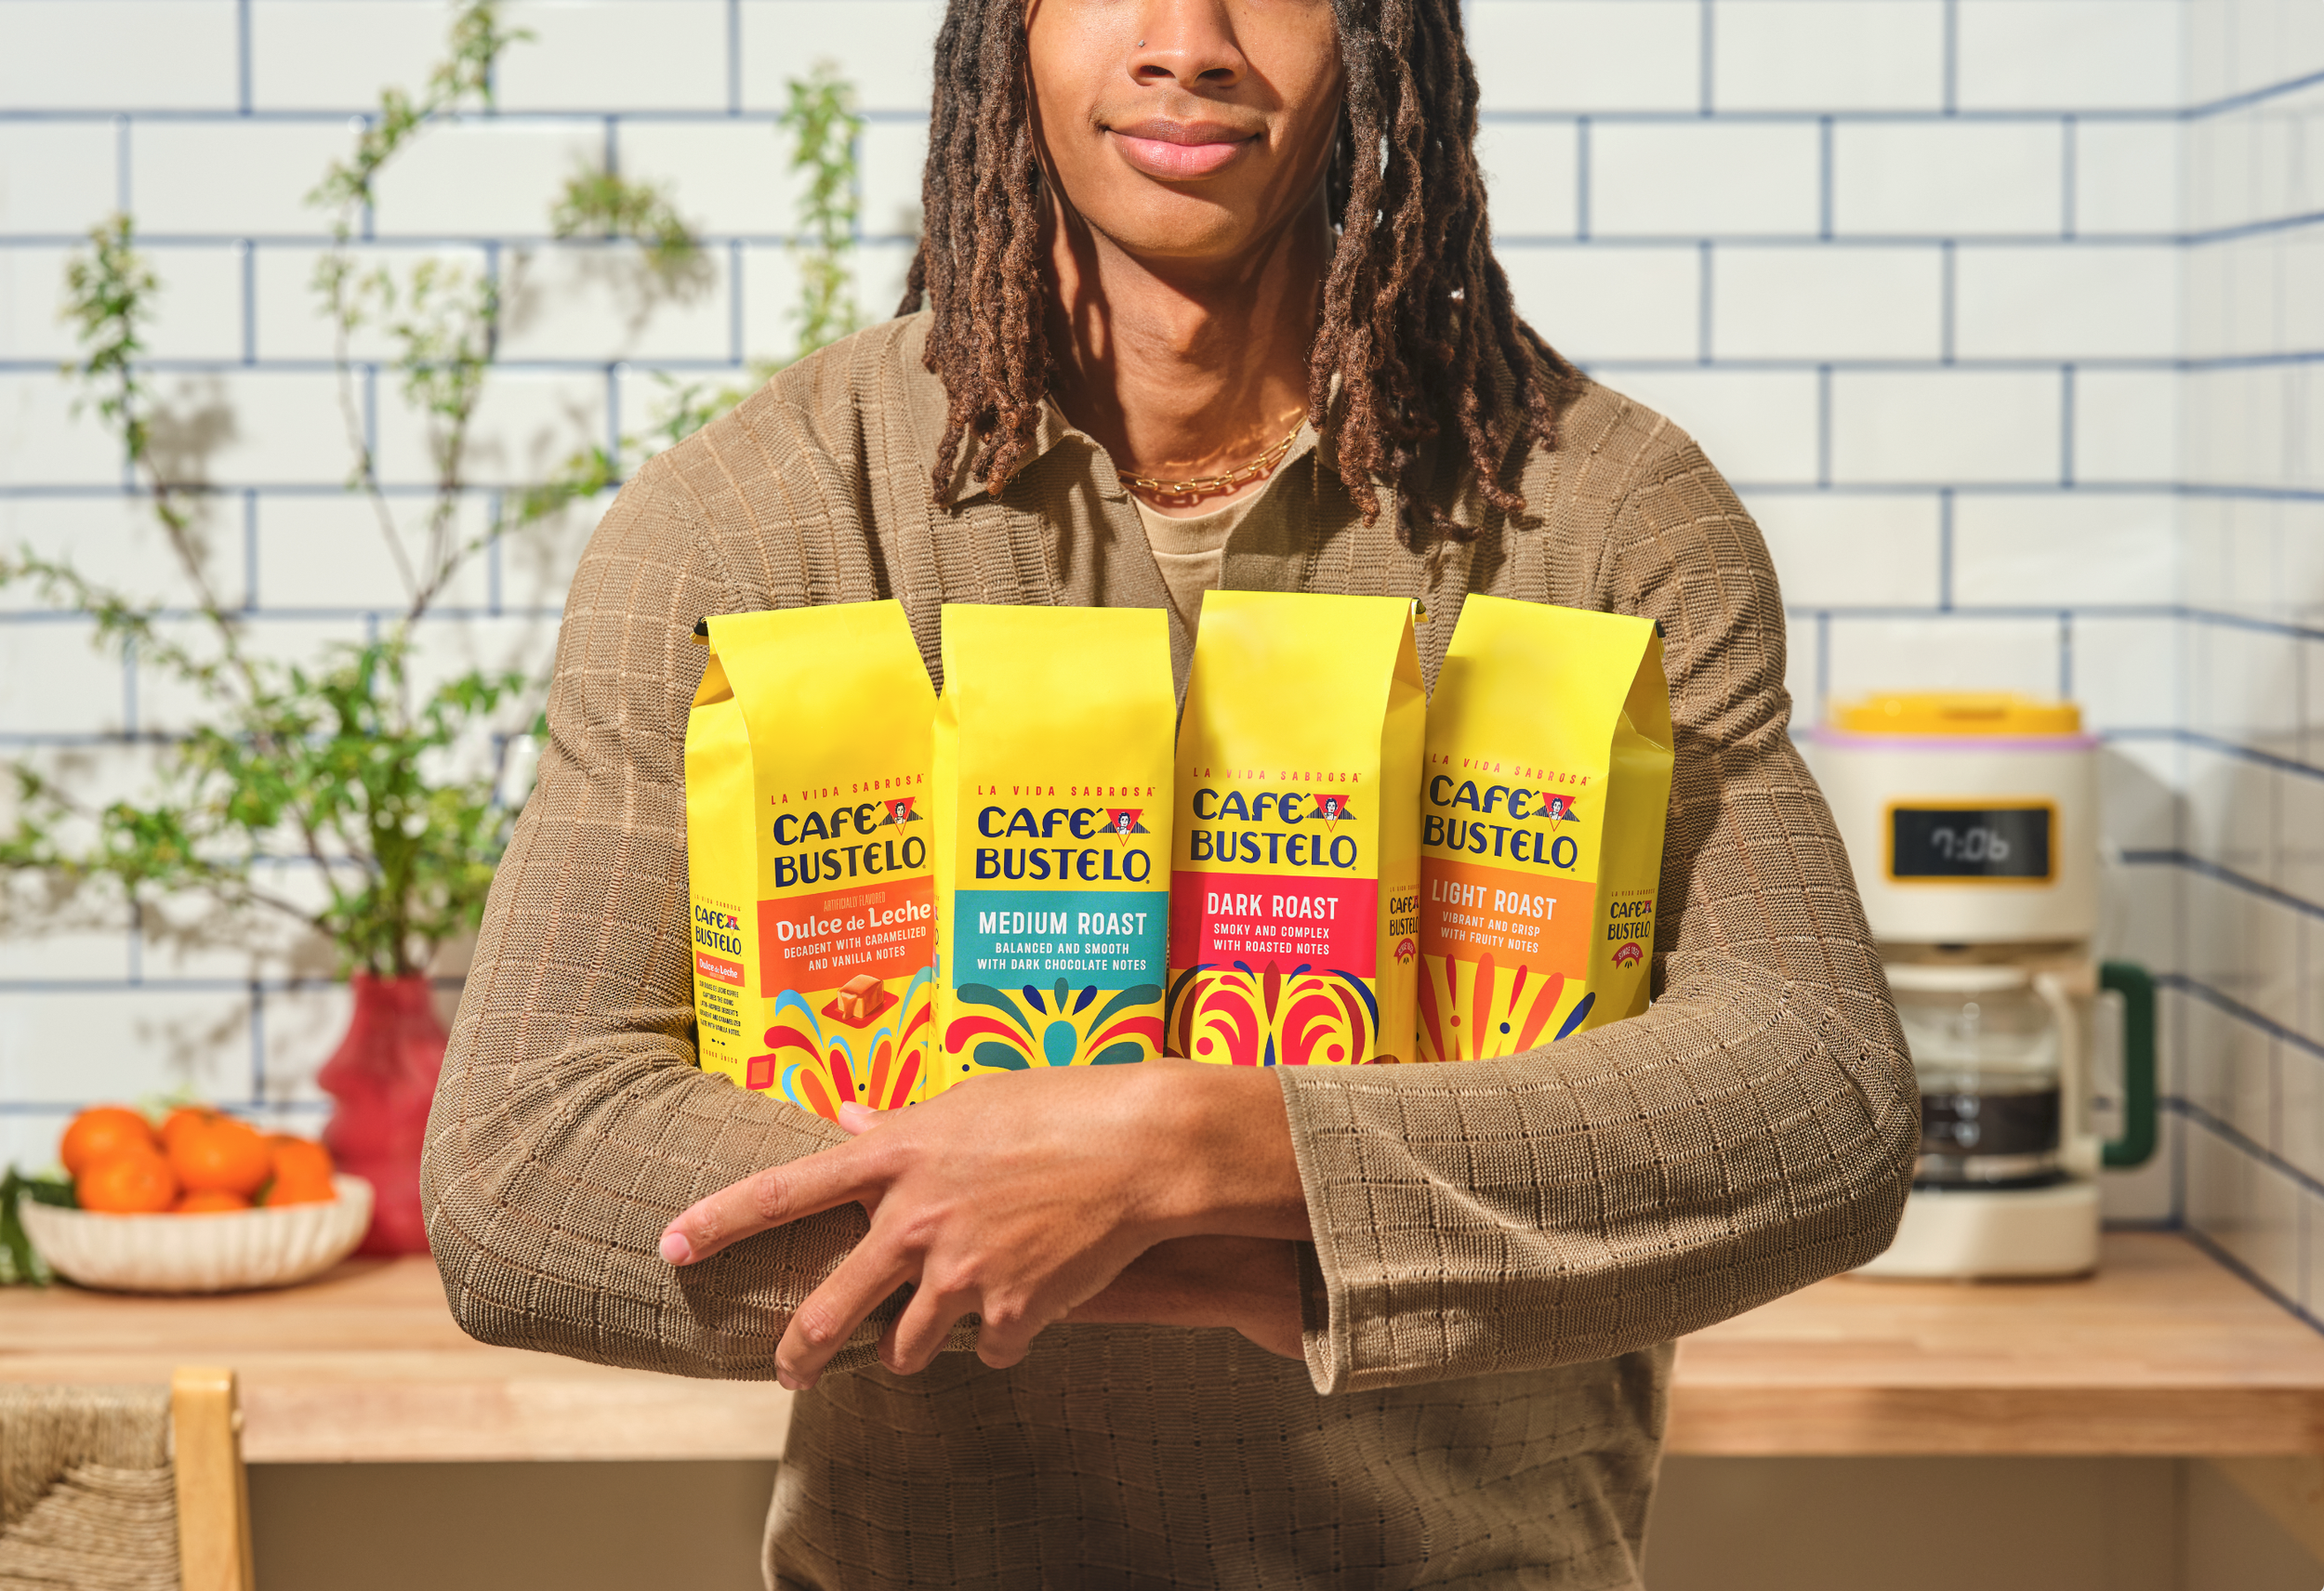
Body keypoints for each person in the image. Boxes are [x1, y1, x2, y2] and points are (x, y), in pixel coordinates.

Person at [420, 1, 1918, 1584]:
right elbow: (523, 1172)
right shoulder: (763, 514)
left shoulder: (1596, 511)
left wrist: (1183, 1151)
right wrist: (1102, 1225)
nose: (1187, 42)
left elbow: (1815, 1096)